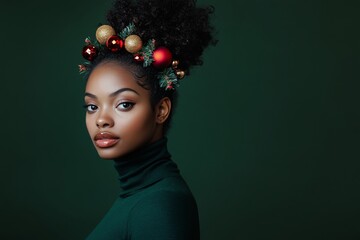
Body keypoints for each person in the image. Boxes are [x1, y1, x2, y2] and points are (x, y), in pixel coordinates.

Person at [78, 0, 216, 239]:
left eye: (124, 104)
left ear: (161, 110)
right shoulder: (140, 197)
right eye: (92, 106)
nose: (102, 120)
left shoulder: (159, 206)